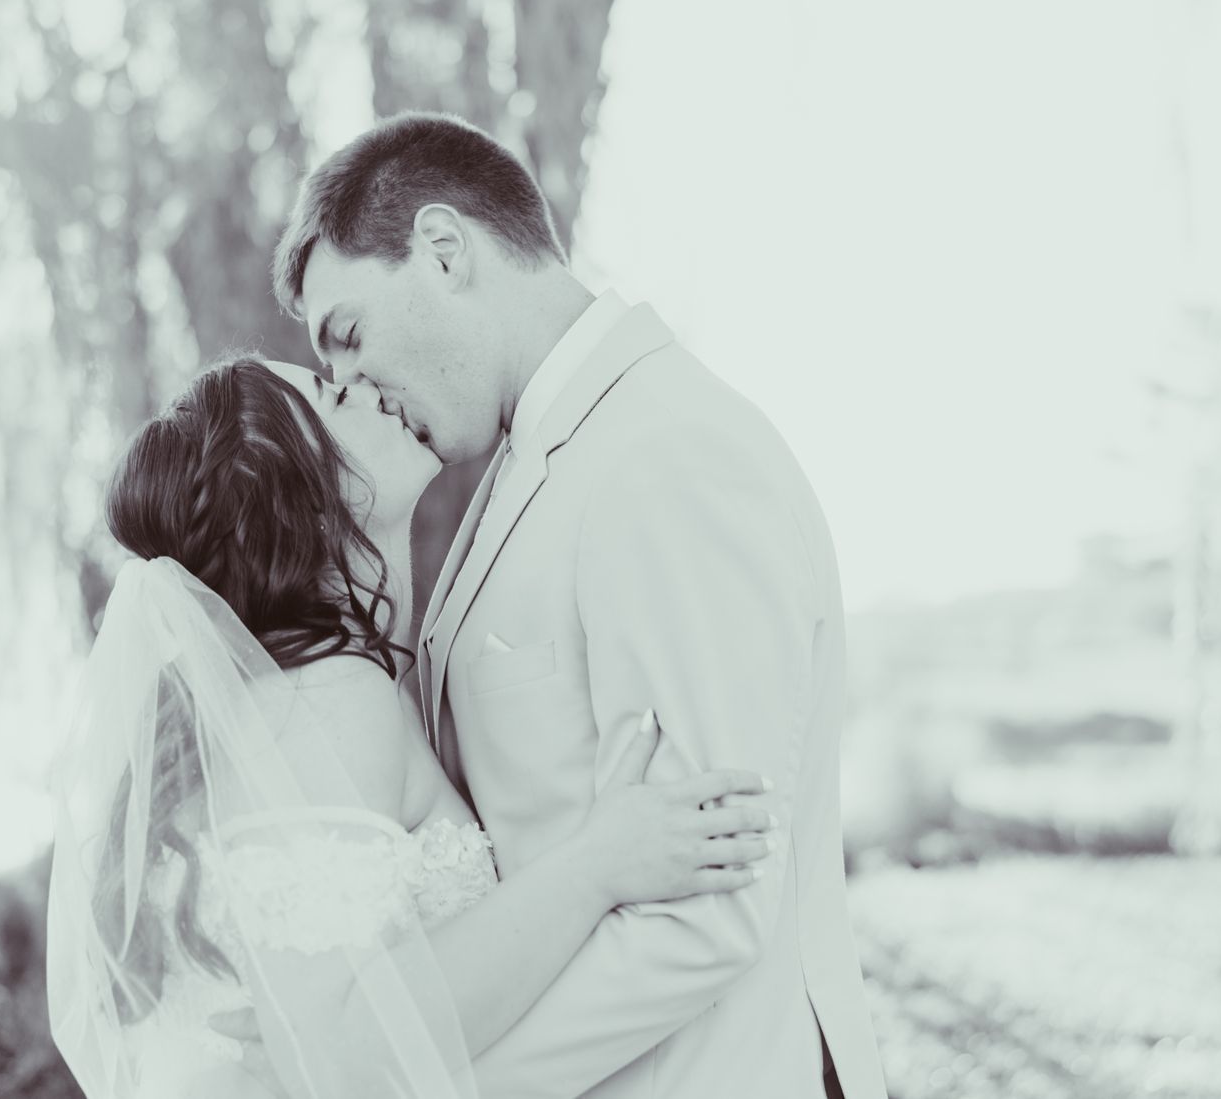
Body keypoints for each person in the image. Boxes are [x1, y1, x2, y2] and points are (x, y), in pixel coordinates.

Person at [269, 111, 889, 1099]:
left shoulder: (666, 456)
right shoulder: (535, 460)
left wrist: (445, 1086)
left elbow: (707, 911)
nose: (346, 384)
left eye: (348, 334)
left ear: (442, 249)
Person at [46, 354, 777, 1099]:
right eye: (334, 394)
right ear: (309, 498)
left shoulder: (307, 699)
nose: (366, 385)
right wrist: (598, 864)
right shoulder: (329, 698)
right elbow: (349, 1050)